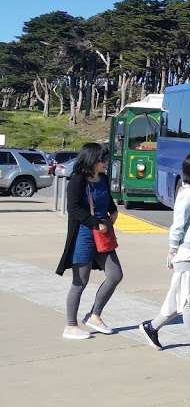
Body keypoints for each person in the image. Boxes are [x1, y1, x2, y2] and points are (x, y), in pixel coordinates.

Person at [139, 153, 190, 362]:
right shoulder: (188, 195)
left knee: (177, 301)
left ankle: (151, 327)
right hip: (188, 256)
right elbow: (178, 226)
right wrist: (172, 250)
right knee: (189, 302)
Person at [56, 143, 122, 340]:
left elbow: (107, 200)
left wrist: (114, 211)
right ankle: (70, 325)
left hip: (103, 235)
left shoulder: (102, 178)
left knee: (115, 275)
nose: (105, 163)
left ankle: (95, 315)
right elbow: (74, 209)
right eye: (102, 159)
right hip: (83, 235)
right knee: (80, 282)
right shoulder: (77, 180)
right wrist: (95, 223)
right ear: (92, 160)